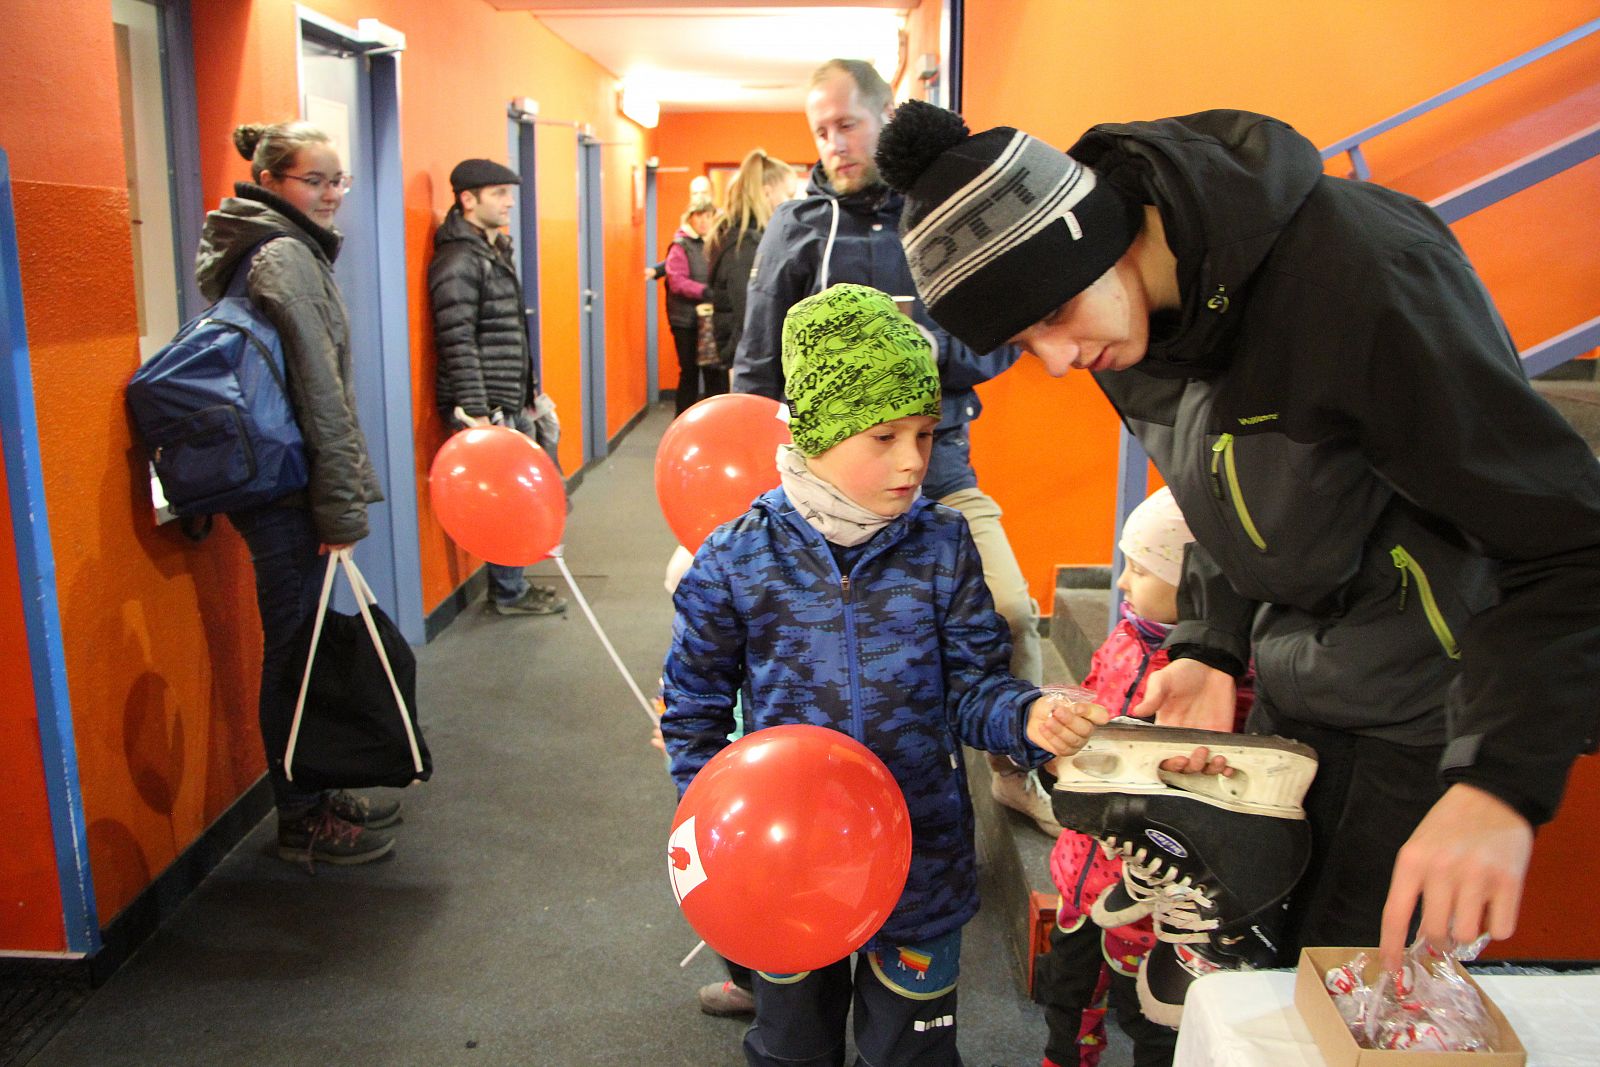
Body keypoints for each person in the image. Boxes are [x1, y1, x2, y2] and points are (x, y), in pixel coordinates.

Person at [874, 101, 1600, 972]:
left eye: (1055, 314)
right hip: (1301, 680)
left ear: (1094, 234)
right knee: (1264, 979)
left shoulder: (1362, 277)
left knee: (1352, 998)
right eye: (1027, 345)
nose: (1060, 359)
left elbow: (1566, 544)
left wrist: (1497, 781)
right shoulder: (1133, 316)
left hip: (1427, 705)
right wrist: (1209, 642)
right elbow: (1225, 486)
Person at [662, 283, 1106, 1067]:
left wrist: (1027, 717)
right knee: (792, 1046)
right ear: (816, 432)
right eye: (884, 436)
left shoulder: (943, 544)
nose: (912, 460)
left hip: (918, 856)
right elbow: (695, 709)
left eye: (926, 434)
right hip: (787, 862)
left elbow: (975, 688)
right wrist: (717, 836)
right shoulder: (735, 558)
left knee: (913, 1051)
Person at [731, 58, 1059, 838]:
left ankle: (1016, 770)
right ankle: (793, 795)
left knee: (1010, 611)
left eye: (847, 124)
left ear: (885, 117)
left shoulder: (941, 214)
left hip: (937, 466)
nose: (834, 144)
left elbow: (1002, 335)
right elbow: (756, 369)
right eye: (820, 130)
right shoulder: (797, 226)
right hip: (826, 485)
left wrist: (927, 349)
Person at [196, 121, 397, 866]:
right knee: (295, 656)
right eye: (315, 180)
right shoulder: (282, 254)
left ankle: (315, 789)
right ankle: (300, 817)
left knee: (302, 646)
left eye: (338, 179)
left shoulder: (271, 246)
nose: (332, 193)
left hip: (282, 480)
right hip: (288, 492)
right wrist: (340, 505)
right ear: (270, 181)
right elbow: (319, 391)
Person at [1034, 488, 1251, 1067]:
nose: (1123, 582)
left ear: (1195, 588)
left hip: (1151, 902)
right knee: (1067, 992)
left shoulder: (1224, 689)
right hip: (1080, 875)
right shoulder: (1126, 637)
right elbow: (1088, 696)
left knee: (1150, 1018)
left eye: (1141, 568)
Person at [429, 157, 567, 617]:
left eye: (510, 193)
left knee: (519, 497)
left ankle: (513, 585)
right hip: (486, 403)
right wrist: (476, 409)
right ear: (468, 200)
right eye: (499, 194)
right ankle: (509, 593)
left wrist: (528, 394)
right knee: (503, 502)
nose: (509, 203)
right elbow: (456, 338)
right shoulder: (458, 261)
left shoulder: (491, 250)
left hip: (509, 397)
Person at [705, 149, 795, 391]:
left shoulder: (743, 240)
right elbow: (752, 318)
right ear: (767, 192)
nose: (794, 203)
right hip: (751, 369)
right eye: (789, 195)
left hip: (749, 364)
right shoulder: (745, 247)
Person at [663, 193, 718, 415]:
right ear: (690, 218)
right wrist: (704, 291)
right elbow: (677, 281)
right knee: (690, 373)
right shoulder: (680, 246)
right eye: (699, 216)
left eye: (708, 216)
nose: (704, 221)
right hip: (685, 321)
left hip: (710, 319)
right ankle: (682, 423)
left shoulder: (714, 243)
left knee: (714, 373)